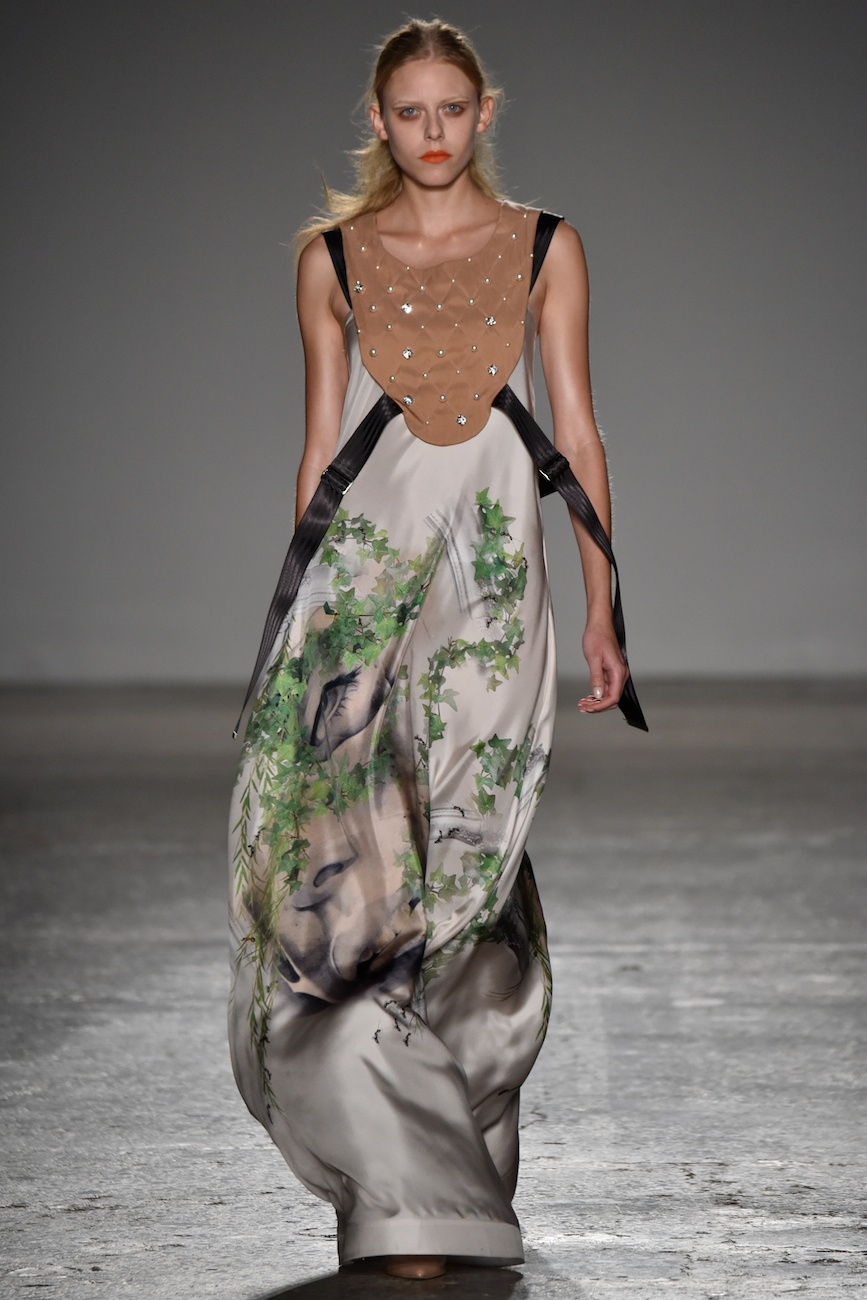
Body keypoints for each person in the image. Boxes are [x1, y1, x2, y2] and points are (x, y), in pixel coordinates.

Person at [228, 18, 644, 1282]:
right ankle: (405, 1188)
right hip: (363, 580)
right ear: (379, 119)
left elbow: (579, 430)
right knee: (354, 870)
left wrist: (607, 606)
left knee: (468, 853)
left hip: (493, 583)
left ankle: (449, 1138)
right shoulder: (329, 258)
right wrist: (297, 620)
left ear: (483, 113)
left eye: (450, 109)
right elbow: (320, 448)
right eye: (408, 111)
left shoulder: (548, 245)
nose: (431, 132)